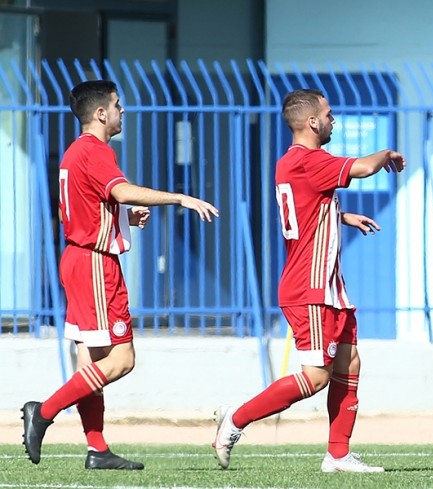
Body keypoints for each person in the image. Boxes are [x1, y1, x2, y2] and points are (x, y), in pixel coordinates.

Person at [22, 80, 219, 469]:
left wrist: (122, 219)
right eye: (117, 104)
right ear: (101, 114)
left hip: (78, 258)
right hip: (95, 265)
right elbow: (122, 191)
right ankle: (42, 412)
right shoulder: (95, 151)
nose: (122, 110)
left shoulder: (75, 152)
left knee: (92, 362)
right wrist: (179, 197)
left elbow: (79, 207)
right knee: (121, 359)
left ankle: (97, 449)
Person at [212, 88, 405, 473]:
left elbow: (307, 208)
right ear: (313, 122)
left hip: (328, 286)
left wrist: (342, 217)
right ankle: (236, 418)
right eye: (329, 114)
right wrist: (385, 154)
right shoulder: (309, 160)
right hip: (309, 287)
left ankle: (338, 455)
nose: (334, 120)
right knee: (316, 377)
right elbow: (362, 168)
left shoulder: (293, 163)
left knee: (349, 363)